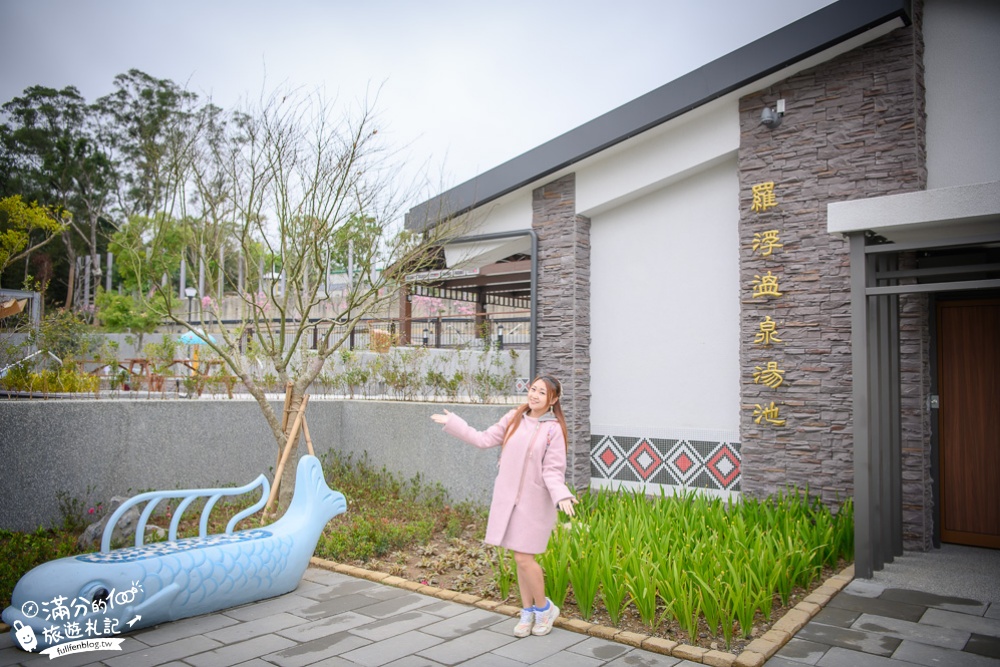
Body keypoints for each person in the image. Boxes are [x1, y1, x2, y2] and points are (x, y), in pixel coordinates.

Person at [431, 375, 577, 637]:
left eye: (541, 393)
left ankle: (544, 609)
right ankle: (527, 611)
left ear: (553, 400)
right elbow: (483, 439)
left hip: (534, 504)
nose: (533, 395)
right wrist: (454, 422)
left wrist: (561, 495)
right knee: (519, 559)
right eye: (533, 389)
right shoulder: (514, 418)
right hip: (508, 501)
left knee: (524, 557)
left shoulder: (553, 429)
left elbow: (553, 470)